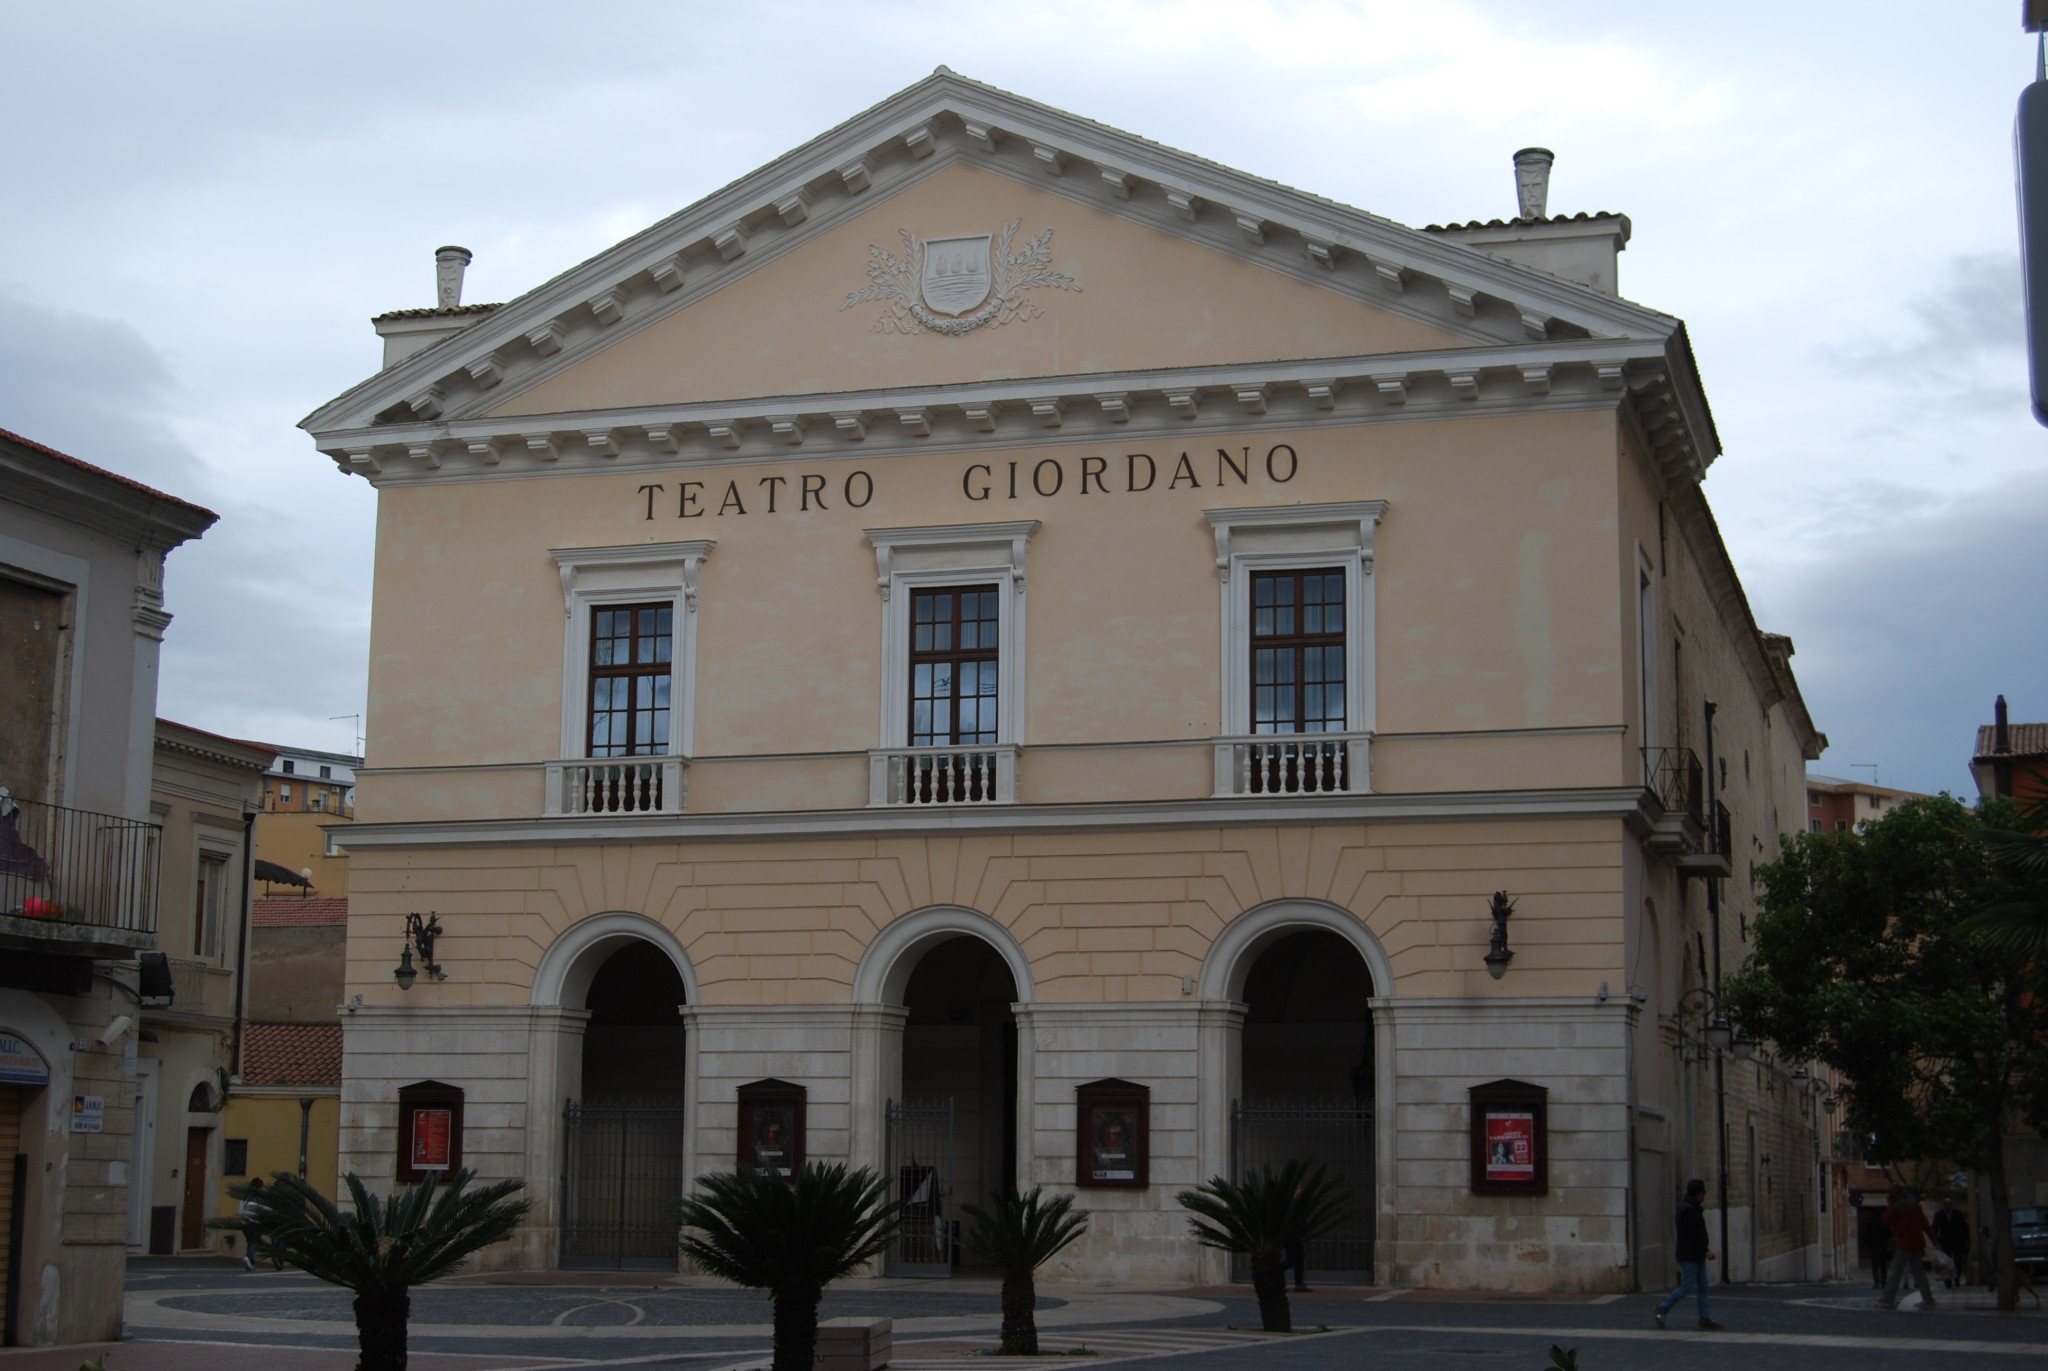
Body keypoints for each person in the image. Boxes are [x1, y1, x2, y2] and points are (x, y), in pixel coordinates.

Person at [1654, 1179, 1724, 1330]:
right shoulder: (1690, 1210)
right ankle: (1663, 1307)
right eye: (1703, 1193)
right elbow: (1695, 1234)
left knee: (1704, 1286)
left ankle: (1704, 1317)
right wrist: (1706, 1250)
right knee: (1687, 1286)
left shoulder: (1688, 1208)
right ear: (1700, 1194)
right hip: (1690, 1255)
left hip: (1694, 1254)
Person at [1879, 1187, 1936, 1309]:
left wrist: (1890, 1206)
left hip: (1904, 1243)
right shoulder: (1915, 1207)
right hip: (1917, 1243)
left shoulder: (1897, 1207)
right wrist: (1934, 1239)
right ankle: (1928, 1299)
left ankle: (1888, 1298)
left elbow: (1886, 1219)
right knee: (1919, 1273)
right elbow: (1925, 1225)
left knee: (1896, 1271)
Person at [238, 1178, 283, 1272]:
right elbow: (266, 1210)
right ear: (260, 1187)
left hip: (244, 1224)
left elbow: (240, 1211)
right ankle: (249, 1258)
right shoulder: (260, 1198)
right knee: (254, 1242)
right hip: (255, 1224)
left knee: (250, 1242)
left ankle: (251, 1262)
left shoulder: (245, 1197)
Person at [1931, 1198, 1971, 1289]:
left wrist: (1966, 1240)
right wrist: (1935, 1241)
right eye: (1945, 1205)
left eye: (1948, 1205)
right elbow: (1935, 1227)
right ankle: (1947, 1280)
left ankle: (1956, 1278)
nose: (1947, 1207)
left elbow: (1964, 1227)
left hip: (1957, 1240)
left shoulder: (1958, 1214)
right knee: (1945, 1262)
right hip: (1944, 1241)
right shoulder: (1939, 1214)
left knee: (1958, 1260)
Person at [1860, 1203, 1893, 1290]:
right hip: (1882, 1246)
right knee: (1883, 1266)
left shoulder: (1870, 1224)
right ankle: (1884, 1283)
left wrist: (1867, 1243)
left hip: (1873, 1246)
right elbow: (1890, 1234)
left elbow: (1865, 1235)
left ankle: (1876, 1283)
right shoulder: (1884, 1223)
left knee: (1875, 1266)